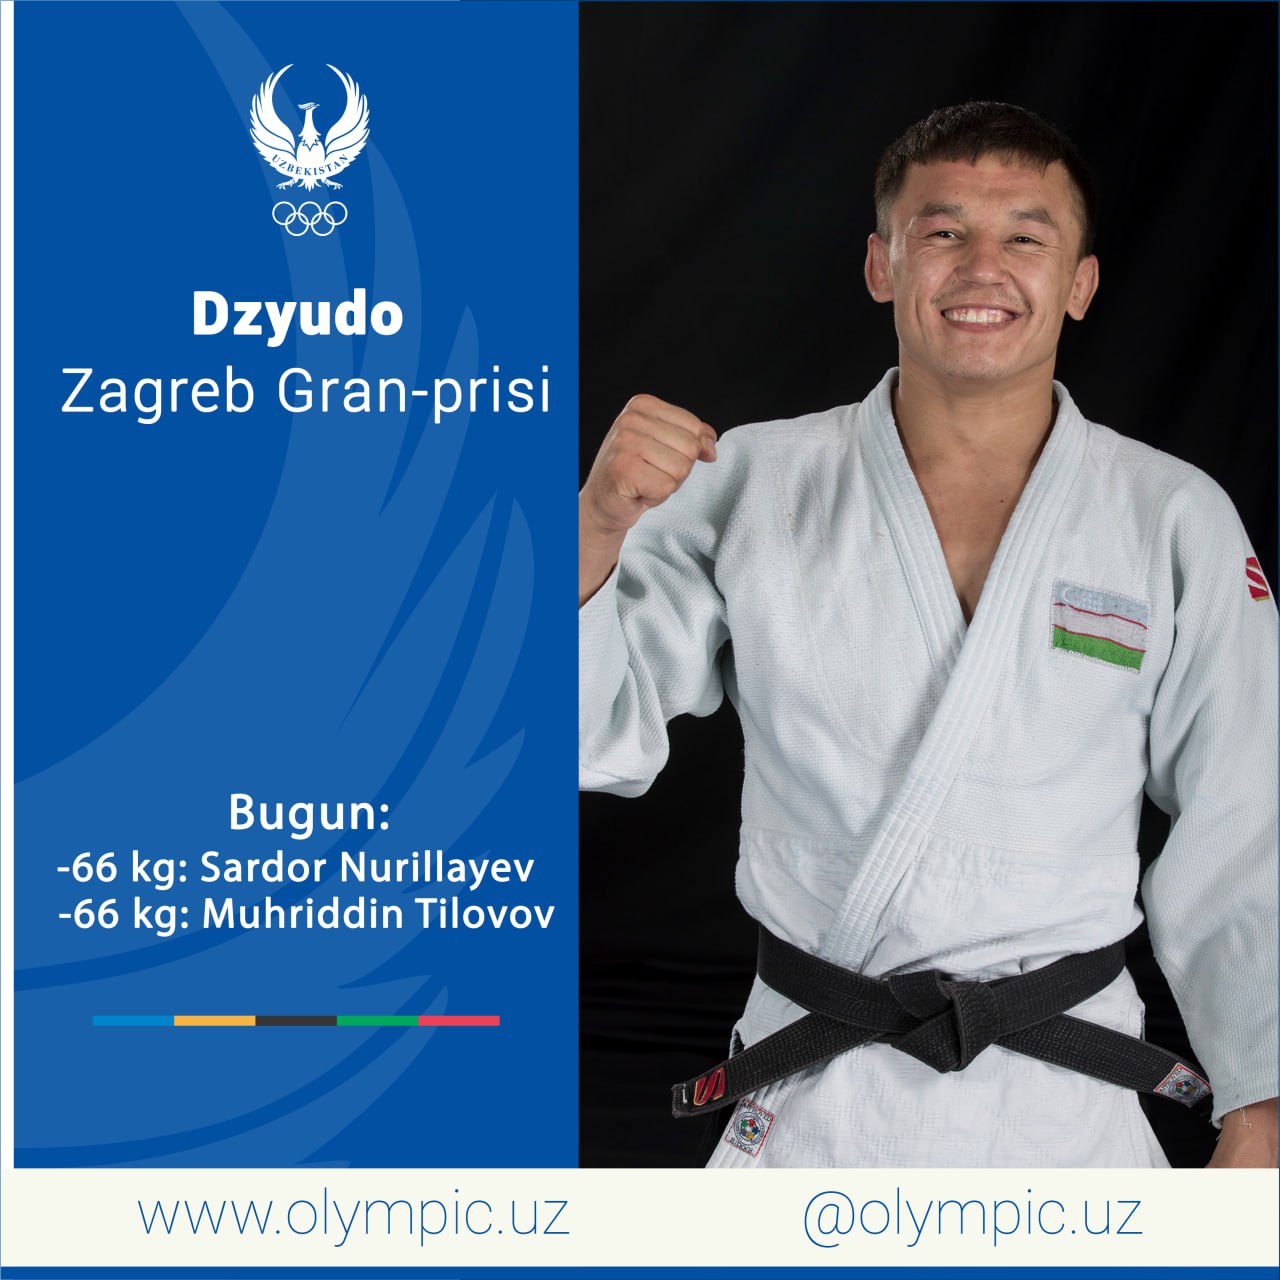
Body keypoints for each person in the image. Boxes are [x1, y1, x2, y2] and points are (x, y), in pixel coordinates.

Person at [578, 102, 1277, 1168]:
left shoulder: (1171, 515)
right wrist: (592, 529)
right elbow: (587, 738)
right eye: (941, 231)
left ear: (1080, 283)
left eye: (1026, 237)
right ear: (881, 265)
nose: (981, 267)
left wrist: (1260, 1106)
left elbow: (1247, 817)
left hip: (1065, 1107)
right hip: (813, 1096)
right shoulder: (750, 481)